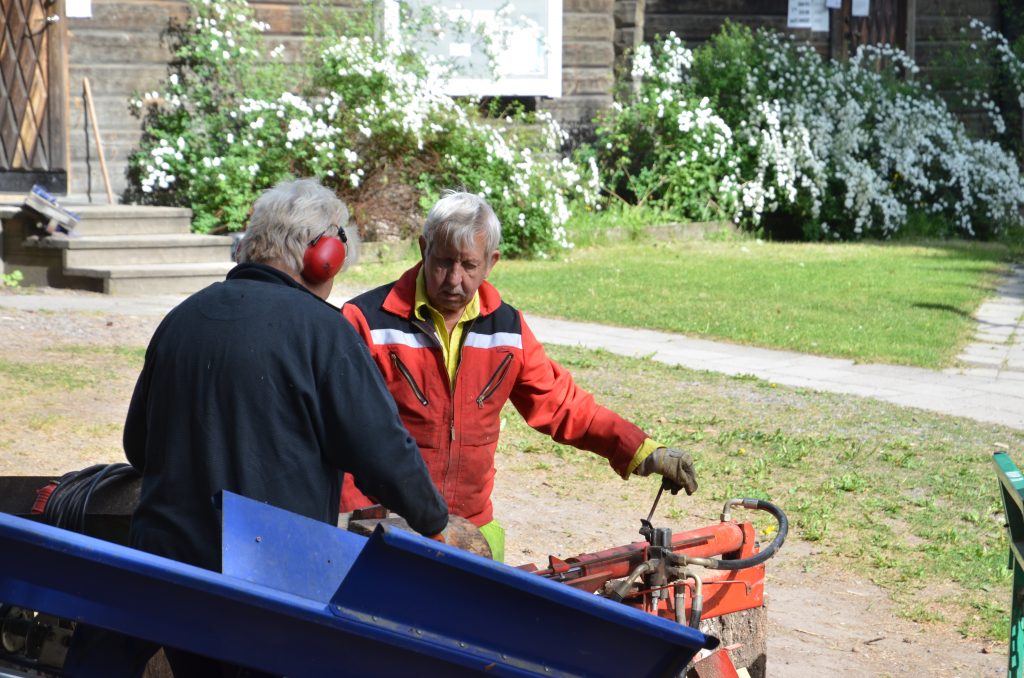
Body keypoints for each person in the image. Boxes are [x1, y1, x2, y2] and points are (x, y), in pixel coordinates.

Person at [66, 178, 448, 677]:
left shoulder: (182, 317)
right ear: (324, 255)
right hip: (267, 580)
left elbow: (138, 446)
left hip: (163, 571)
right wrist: (434, 521)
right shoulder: (324, 332)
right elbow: (383, 454)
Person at [340, 190, 697, 563]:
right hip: (378, 523)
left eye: (469, 265)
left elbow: (563, 405)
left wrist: (645, 451)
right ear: (423, 248)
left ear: (491, 262)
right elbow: (340, 433)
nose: (454, 279)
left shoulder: (507, 330)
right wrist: (355, 519)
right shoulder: (365, 321)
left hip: (471, 527)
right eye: (444, 262)